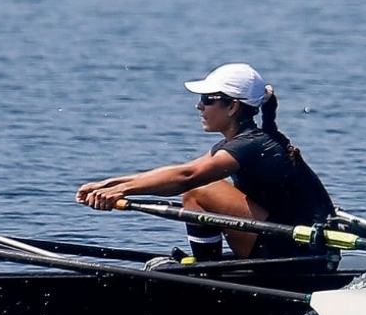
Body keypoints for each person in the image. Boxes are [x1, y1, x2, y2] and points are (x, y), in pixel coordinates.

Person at [76, 62, 337, 265]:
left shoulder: (253, 144)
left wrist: (122, 192)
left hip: (298, 251)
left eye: (207, 99)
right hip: (295, 244)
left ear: (233, 106)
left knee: (199, 192)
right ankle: (209, 266)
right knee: (201, 187)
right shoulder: (245, 142)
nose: (199, 106)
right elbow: (179, 171)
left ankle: (206, 270)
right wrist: (110, 184)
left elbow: (189, 177)